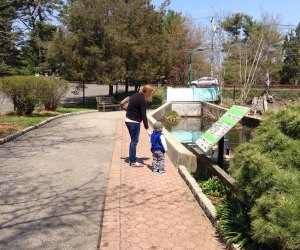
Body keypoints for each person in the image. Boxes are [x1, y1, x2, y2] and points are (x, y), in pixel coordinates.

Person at [125, 84, 155, 167]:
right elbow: (143, 115)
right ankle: (133, 161)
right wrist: (147, 128)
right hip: (134, 122)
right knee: (134, 142)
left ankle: (132, 159)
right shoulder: (142, 100)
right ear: (148, 92)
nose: (152, 94)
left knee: (133, 141)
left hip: (128, 120)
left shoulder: (135, 95)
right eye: (152, 92)